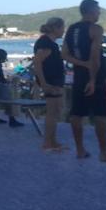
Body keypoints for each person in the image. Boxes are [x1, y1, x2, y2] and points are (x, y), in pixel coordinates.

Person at [62, 0, 106, 162]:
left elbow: (65, 54)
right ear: (90, 11)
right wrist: (93, 79)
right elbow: (95, 56)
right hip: (97, 77)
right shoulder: (95, 29)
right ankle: (104, 152)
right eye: (98, 10)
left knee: (77, 114)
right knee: (101, 115)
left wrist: (82, 64)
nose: (99, 13)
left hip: (79, 76)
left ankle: (80, 150)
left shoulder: (72, 29)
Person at [34, 17, 68, 152]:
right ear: (55, 28)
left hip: (54, 81)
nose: (63, 31)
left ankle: (52, 141)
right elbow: (37, 63)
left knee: (55, 111)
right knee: (52, 112)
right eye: (62, 27)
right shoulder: (46, 43)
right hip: (51, 82)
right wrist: (44, 83)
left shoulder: (49, 43)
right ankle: (48, 142)